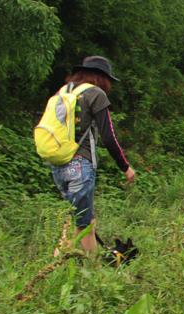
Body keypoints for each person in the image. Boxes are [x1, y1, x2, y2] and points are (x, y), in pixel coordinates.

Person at [50, 56, 135, 253]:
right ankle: (94, 275)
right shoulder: (96, 93)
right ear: (102, 77)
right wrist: (125, 167)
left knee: (76, 219)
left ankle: (58, 267)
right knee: (85, 225)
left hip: (58, 163)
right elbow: (108, 137)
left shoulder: (64, 91)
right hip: (80, 164)